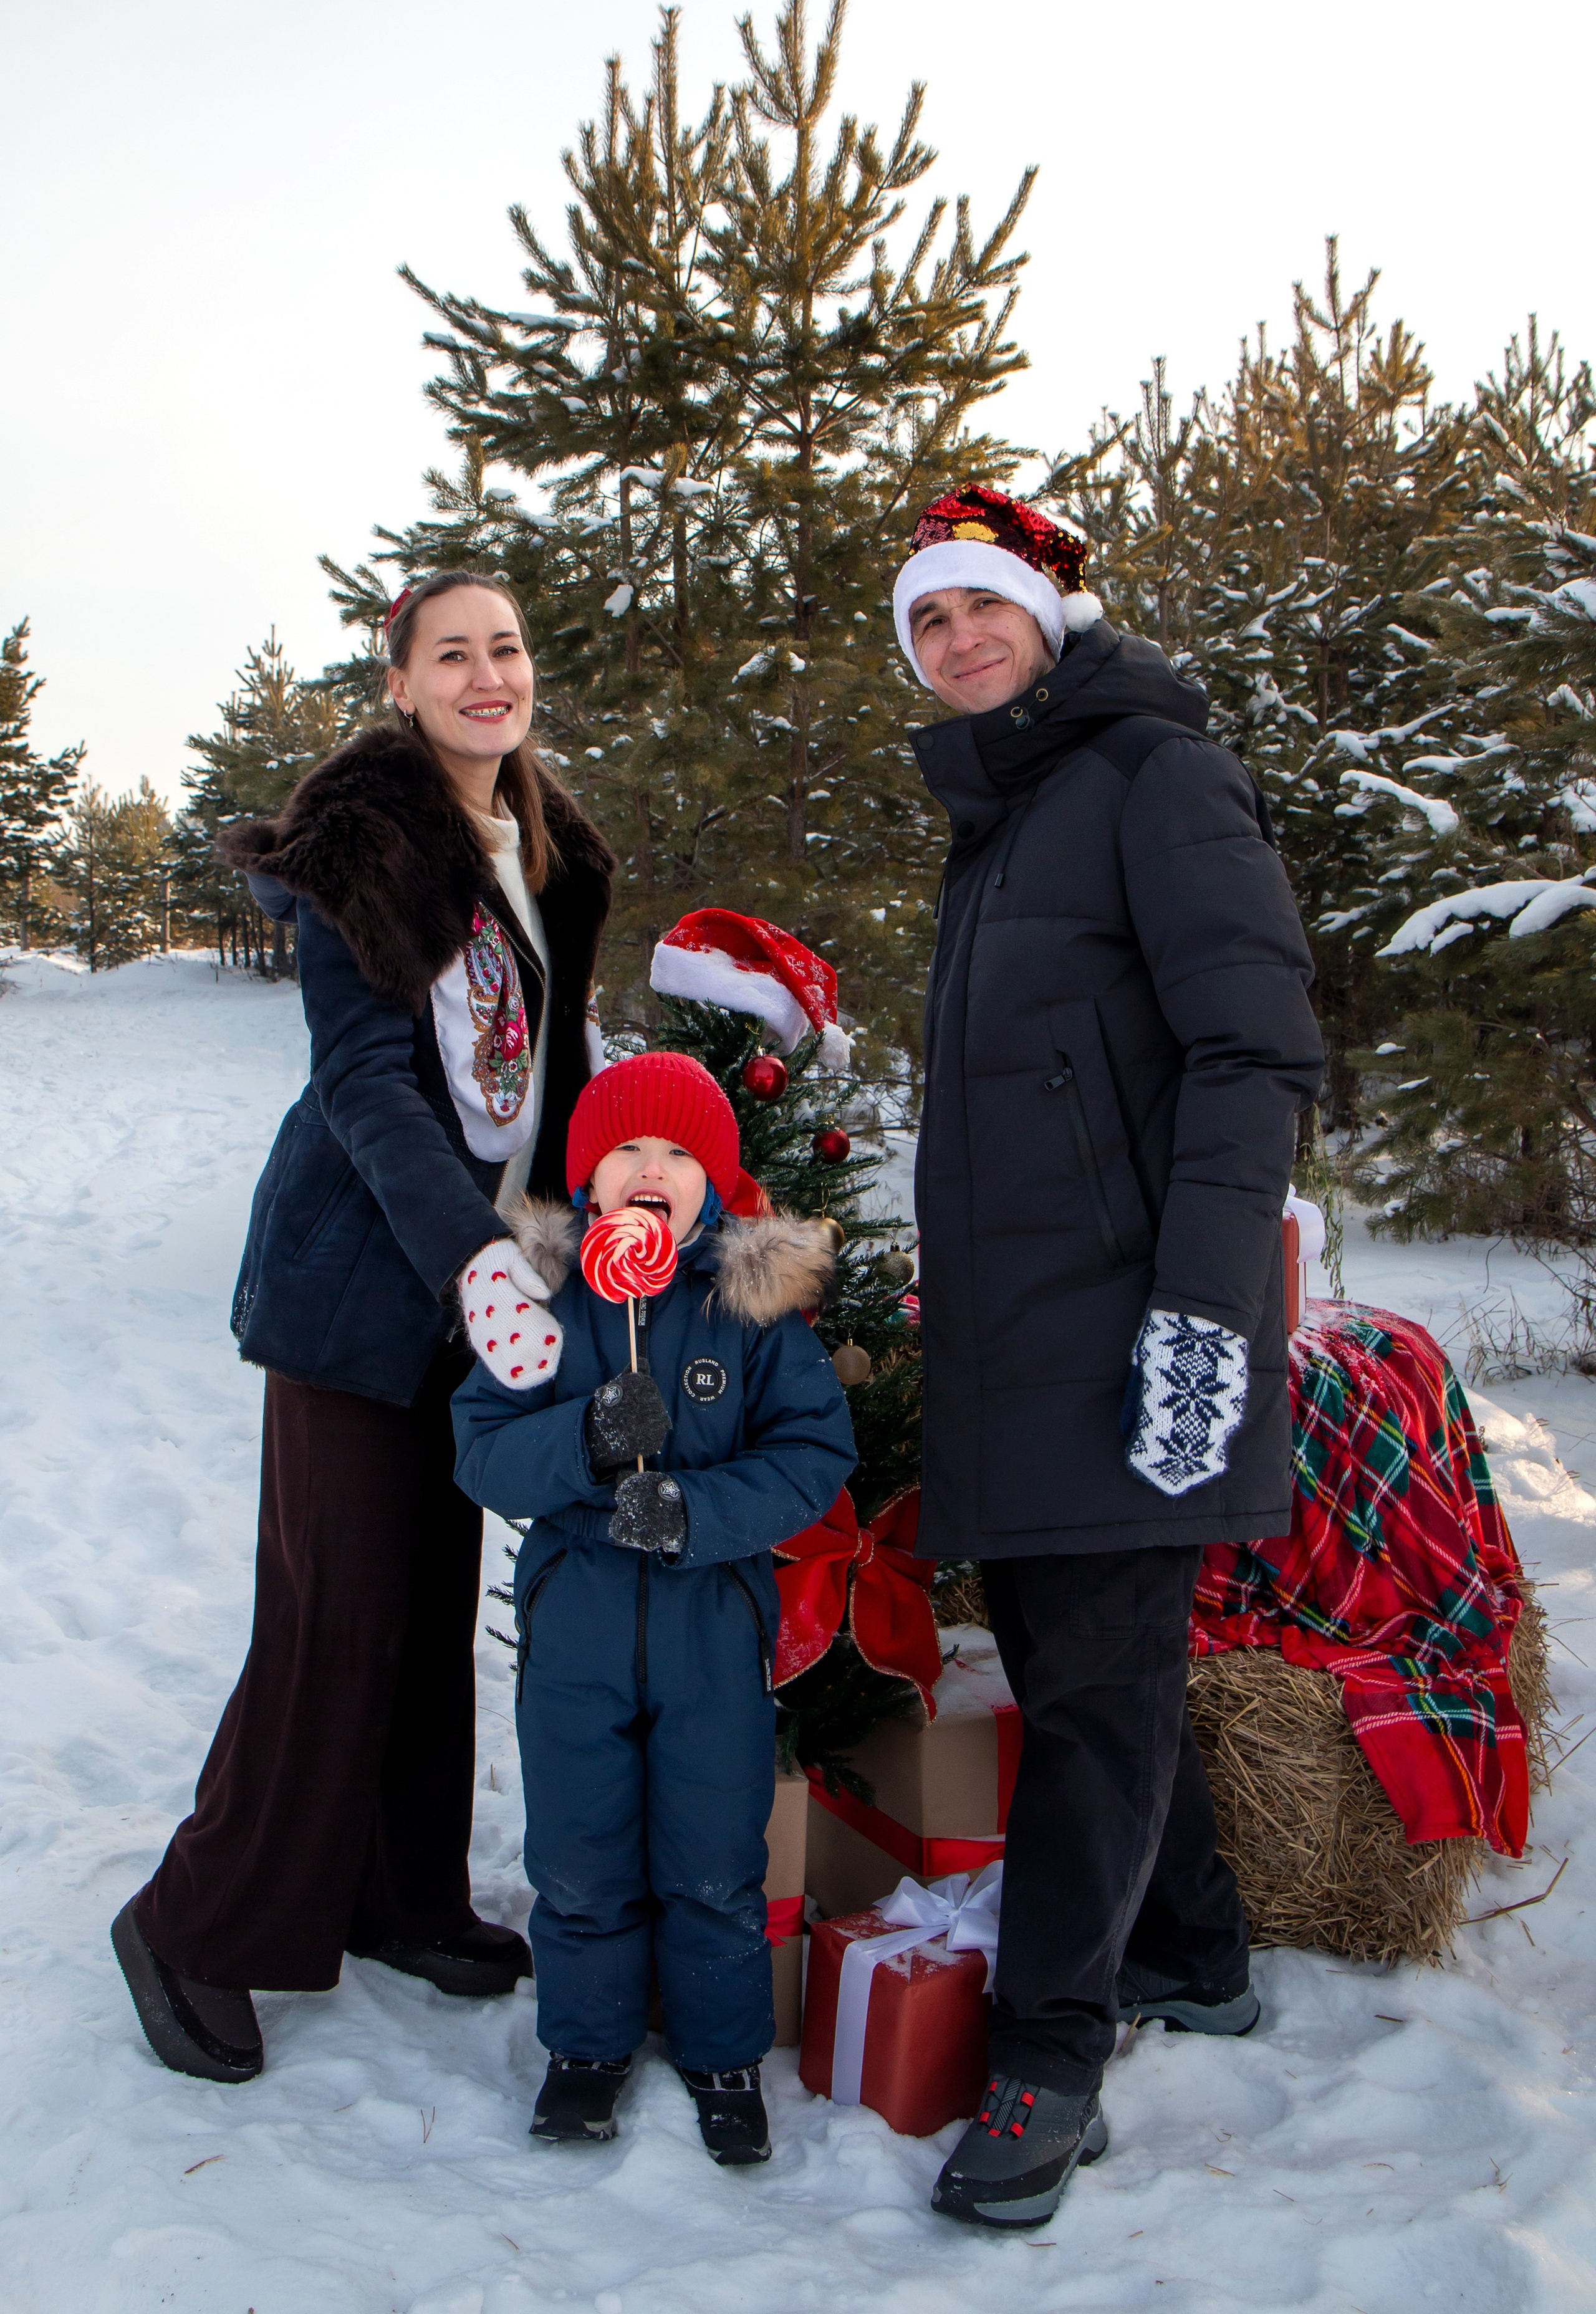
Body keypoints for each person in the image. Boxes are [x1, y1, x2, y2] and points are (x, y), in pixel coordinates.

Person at [113, 569, 615, 2084]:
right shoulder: (365, 847)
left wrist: (600, 1213)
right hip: (361, 1281)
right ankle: (195, 1924)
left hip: (489, 1284)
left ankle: (403, 1895)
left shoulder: (539, 846)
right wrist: (467, 1255)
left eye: (506, 648)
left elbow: (552, 1068)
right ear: (396, 682)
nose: (486, 675)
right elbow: (364, 1082)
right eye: (450, 654)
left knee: (423, 1599)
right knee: (333, 1617)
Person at [897, 486, 1325, 2229]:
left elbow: (1256, 1048)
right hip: (1022, 1332)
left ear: (1050, 614)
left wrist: (1205, 1313)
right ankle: (1199, 1951)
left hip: (1142, 1325)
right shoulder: (1004, 817)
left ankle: (1050, 2058)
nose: (958, 641)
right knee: (1091, 1673)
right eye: (928, 625)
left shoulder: (1155, 777)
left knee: (1092, 1698)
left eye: (982, 609)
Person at [451, 1052, 855, 2165]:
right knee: (579, 1851)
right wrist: (581, 1444)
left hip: (711, 1626)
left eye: (678, 1152)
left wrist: (692, 1510)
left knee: (715, 1850)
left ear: (713, 1184)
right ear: (587, 1176)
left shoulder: (749, 1308)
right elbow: (479, 1451)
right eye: (626, 1147)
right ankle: (586, 2048)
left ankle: (727, 2054)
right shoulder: (539, 1302)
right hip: (575, 1618)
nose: (650, 1168)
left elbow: (817, 1452)